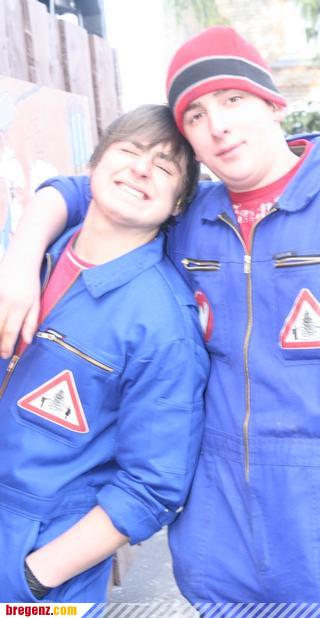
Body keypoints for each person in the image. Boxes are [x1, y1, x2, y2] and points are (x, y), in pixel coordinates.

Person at [1, 25, 320, 604]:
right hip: (223, 566)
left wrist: (32, 578)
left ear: (273, 103)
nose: (217, 124)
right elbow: (94, 188)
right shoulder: (191, 219)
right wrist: (21, 256)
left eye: (232, 99)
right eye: (195, 115)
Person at [0, 103, 208, 602]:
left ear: (178, 204)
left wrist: (34, 576)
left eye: (165, 167)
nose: (141, 169)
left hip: (41, 573)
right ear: (93, 164)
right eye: (130, 150)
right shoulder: (33, 258)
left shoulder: (163, 324)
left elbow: (153, 486)